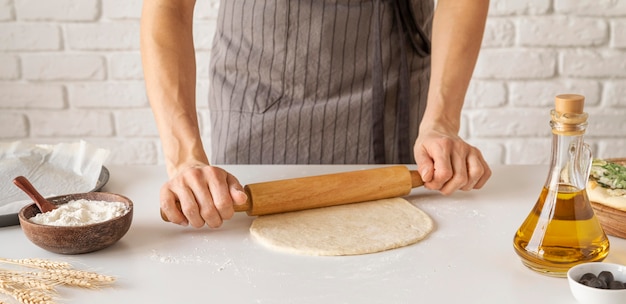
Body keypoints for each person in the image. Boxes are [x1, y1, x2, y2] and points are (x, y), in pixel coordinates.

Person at [141, 0, 492, 228]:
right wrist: (186, 158)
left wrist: (441, 121)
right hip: (262, 94)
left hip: (392, 90)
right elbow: (168, 6)